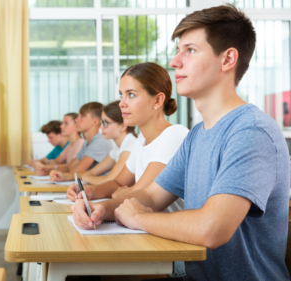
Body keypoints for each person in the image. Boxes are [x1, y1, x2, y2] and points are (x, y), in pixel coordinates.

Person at [72, 5, 290, 281]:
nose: (174, 62)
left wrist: (138, 218)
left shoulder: (251, 132)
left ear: (227, 60)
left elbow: (212, 228)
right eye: (177, 51)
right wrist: (103, 210)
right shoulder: (198, 134)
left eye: (189, 50)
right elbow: (152, 195)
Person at [66, 63, 188, 210]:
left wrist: (121, 194)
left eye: (131, 95)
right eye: (121, 95)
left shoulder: (174, 135)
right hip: (142, 227)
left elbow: (142, 194)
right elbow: (118, 183)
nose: (121, 103)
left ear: (158, 100)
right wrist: (89, 192)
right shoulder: (142, 140)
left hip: (167, 229)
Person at [50, 101, 137, 184]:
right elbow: (92, 172)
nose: (102, 127)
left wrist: (87, 178)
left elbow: (110, 180)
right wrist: (64, 176)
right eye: (102, 122)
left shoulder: (130, 147)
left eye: (106, 122)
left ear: (123, 126)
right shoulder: (118, 148)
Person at [37, 102, 112, 176]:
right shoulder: (87, 143)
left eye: (82, 116)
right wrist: (47, 169)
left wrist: (61, 175)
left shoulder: (99, 141)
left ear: (95, 122)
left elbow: (75, 171)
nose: (76, 120)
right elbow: (70, 166)